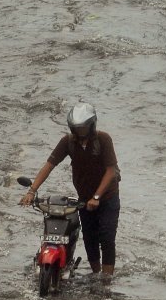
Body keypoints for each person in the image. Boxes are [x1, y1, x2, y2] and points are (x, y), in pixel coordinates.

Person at [19, 102, 120, 282]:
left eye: (83, 127)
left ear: (91, 125)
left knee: (106, 236)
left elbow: (111, 171)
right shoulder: (68, 142)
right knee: (89, 238)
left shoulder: (103, 139)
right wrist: (32, 191)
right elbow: (49, 165)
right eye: (77, 128)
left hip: (107, 198)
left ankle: (107, 280)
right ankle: (96, 275)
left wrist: (97, 197)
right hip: (84, 199)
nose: (80, 131)